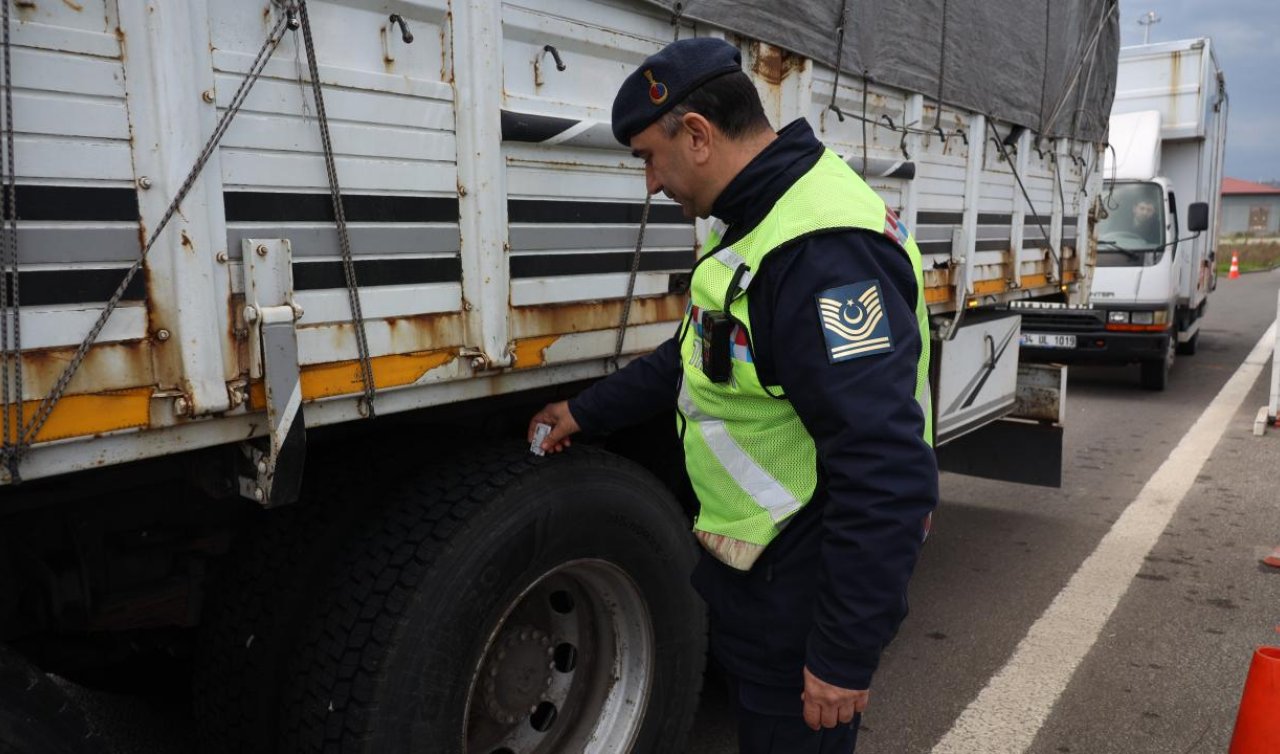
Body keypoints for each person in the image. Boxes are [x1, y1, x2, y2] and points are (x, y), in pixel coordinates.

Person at [528, 37, 938, 753]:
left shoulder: (820, 251)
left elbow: (884, 469)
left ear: (697, 135)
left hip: (800, 596)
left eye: (648, 158)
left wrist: (841, 656)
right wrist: (584, 412)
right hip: (765, 583)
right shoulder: (765, 218)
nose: (651, 183)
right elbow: (702, 356)